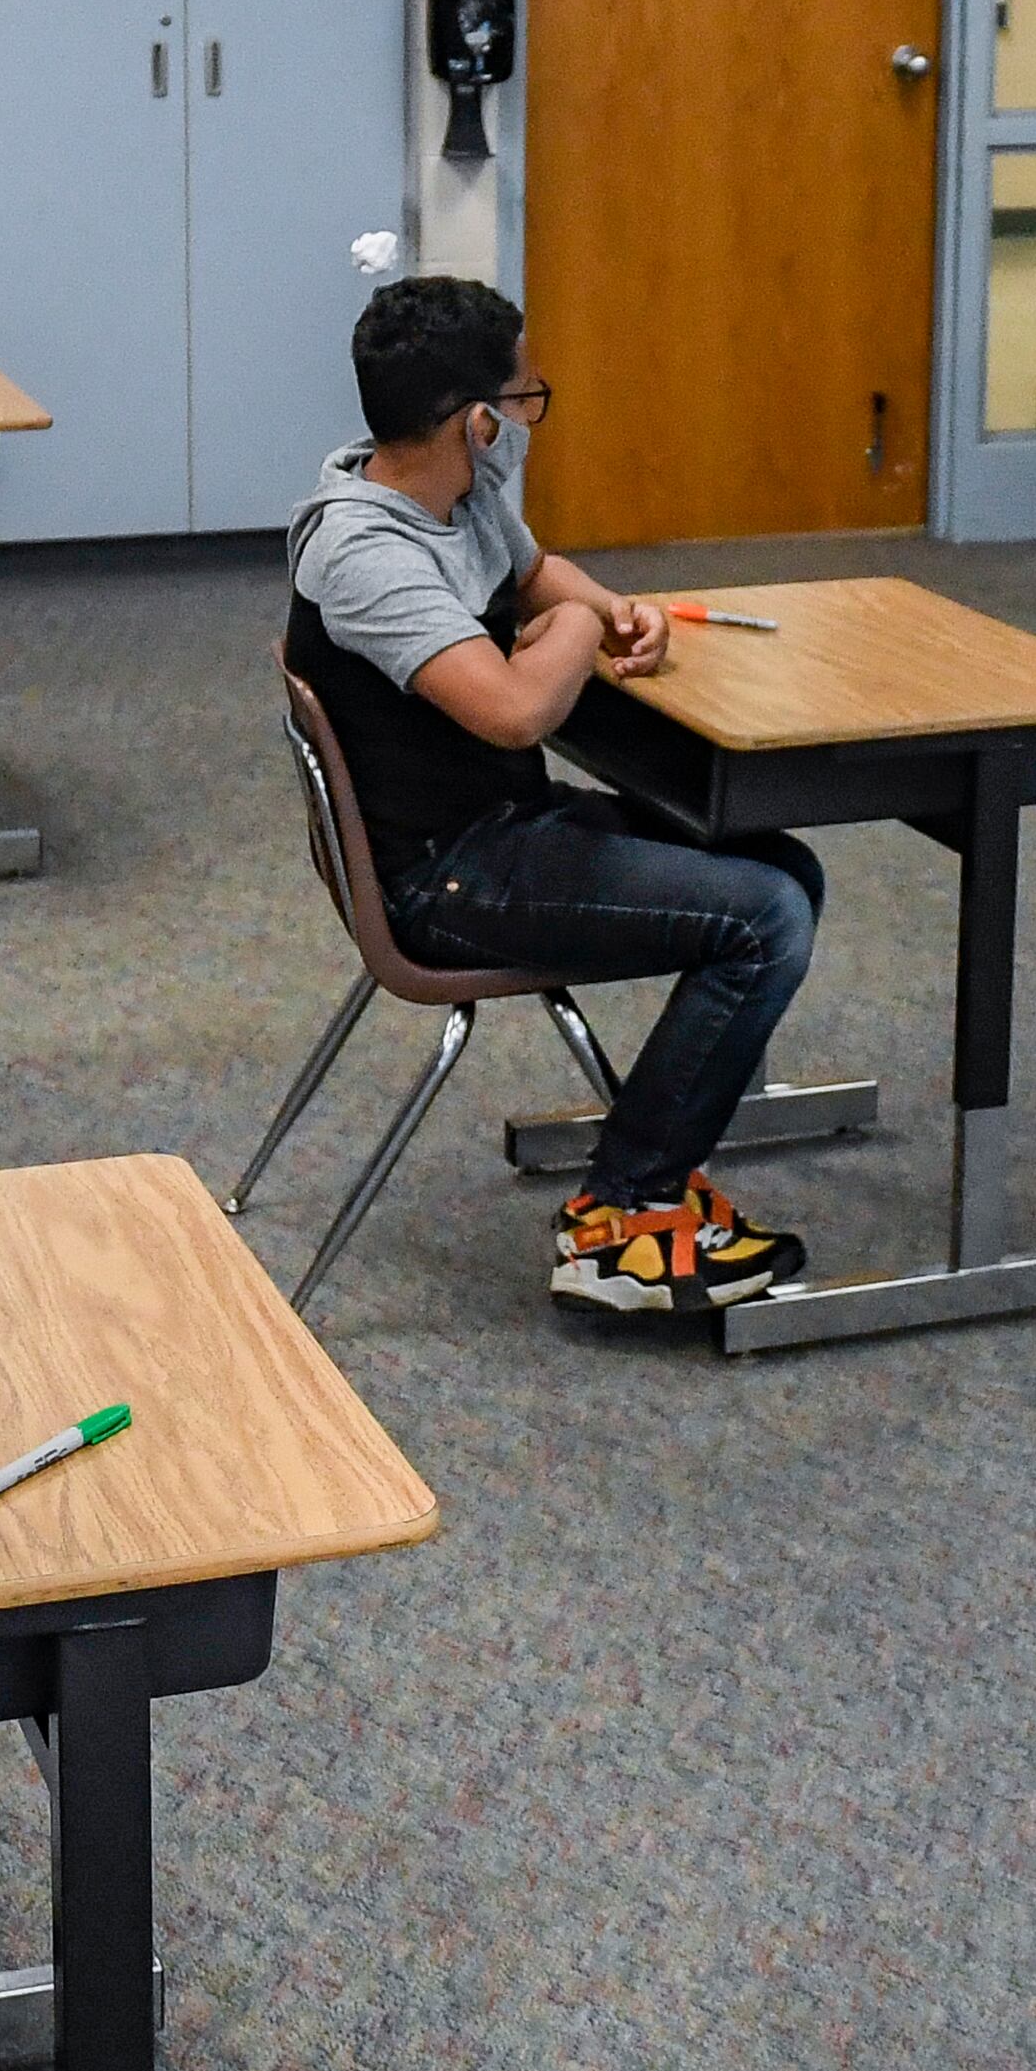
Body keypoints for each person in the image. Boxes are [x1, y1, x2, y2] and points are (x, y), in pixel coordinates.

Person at [288, 274, 824, 1319]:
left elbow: (534, 579)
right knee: (764, 918)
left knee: (782, 863)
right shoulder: (364, 551)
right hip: (445, 877)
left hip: (500, 829)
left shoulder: (458, 494)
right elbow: (513, 713)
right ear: (479, 421)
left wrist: (609, 611)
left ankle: (655, 1153)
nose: (532, 417)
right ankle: (622, 1215)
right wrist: (575, 641)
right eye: (525, 399)